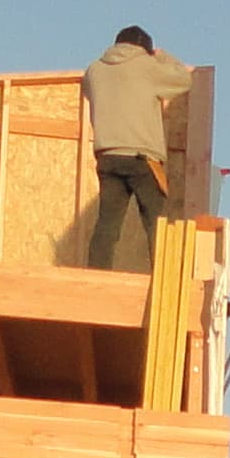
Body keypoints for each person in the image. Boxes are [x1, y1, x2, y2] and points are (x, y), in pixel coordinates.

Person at [83, 25, 195, 273]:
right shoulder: (147, 66)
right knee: (157, 223)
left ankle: (96, 276)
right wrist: (161, 56)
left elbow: (89, 93)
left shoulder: (94, 70)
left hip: (108, 156)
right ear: (143, 49)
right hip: (142, 158)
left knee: (107, 224)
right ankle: (164, 277)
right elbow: (184, 79)